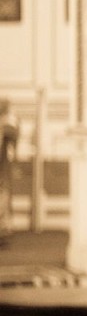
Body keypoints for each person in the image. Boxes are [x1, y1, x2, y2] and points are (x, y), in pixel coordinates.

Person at [0, 98, 18, 247]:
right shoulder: (6, 126)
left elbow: (13, 134)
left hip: (3, 168)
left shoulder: (7, 127)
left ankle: (3, 229)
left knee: (4, 198)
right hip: (3, 169)